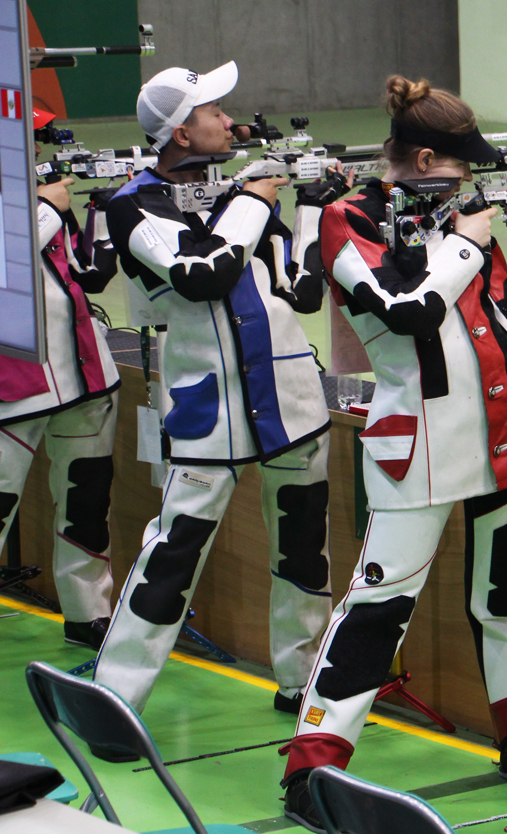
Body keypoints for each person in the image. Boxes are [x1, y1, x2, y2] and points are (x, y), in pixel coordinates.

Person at [280, 75, 507, 831]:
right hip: (421, 448)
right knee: (377, 607)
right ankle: (310, 768)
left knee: (504, 602)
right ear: (417, 158)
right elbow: (407, 311)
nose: (470, 183)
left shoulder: (457, 219)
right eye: (456, 168)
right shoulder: (349, 222)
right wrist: (466, 244)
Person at [98, 62, 336, 722]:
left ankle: (303, 684)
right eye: (212, 114)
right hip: (210, 413)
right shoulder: (133, 205)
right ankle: (114, 699)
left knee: (303, 554)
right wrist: (256, 200)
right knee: (171, 555)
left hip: (293, 403)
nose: (230, 121)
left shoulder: (230, 195)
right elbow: (201, 273)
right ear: (179, 133)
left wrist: (311, 207)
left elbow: (304, 291)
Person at [0, 108, 124, 649]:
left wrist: (111, 215)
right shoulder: (39, 203)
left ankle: (87, 612)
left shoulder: (35, 194)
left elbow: (88, 272)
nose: (36, 145)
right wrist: (49, 211)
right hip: (11, 386)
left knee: (86, 502)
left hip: (82, 372)